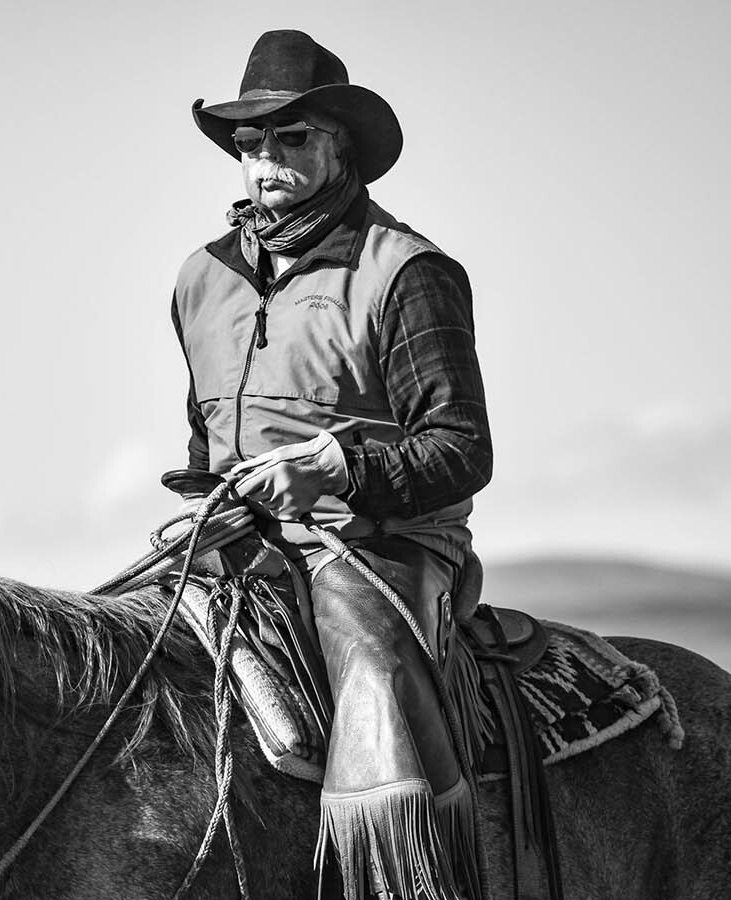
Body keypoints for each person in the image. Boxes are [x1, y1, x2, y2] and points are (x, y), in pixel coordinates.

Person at [171, 30, 492, 900]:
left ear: (339, 147)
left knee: (374, 674)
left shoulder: (409, 271)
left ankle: (411, 875)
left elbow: (461, 448)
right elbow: (206, 438)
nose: (265, 160)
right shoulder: (200, 279)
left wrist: (335, 468)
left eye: (291, 139)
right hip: (239, 535)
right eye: (250, 143)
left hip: (373, 543)